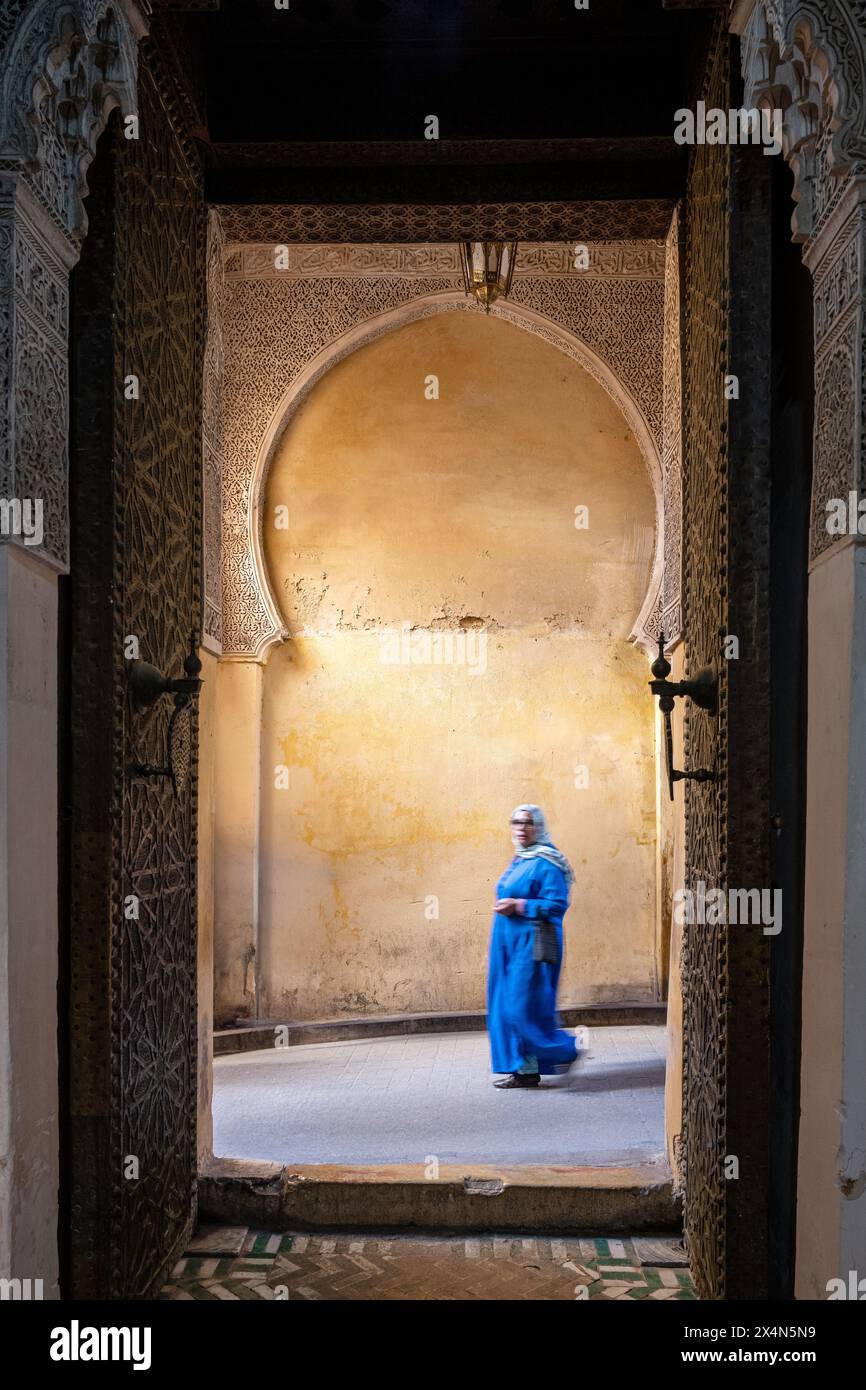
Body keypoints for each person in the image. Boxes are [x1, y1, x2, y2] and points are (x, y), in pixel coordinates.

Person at [486, 803, 579, 1089]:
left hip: (533, 946)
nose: (521, 828)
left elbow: (557, 904)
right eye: (516, 822)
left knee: (521, 1008)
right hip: (507, 946)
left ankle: (566, 1050)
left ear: (538, 827)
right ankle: (525, 1071)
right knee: (504, 1006)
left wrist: (519, 905)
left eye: (528, 823)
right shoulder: (520, 860)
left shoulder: (546, 861)